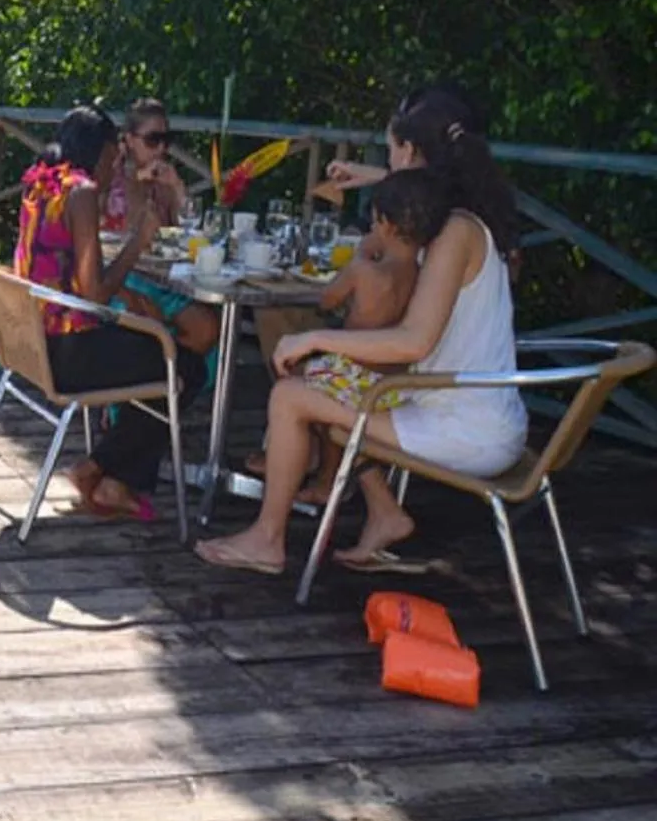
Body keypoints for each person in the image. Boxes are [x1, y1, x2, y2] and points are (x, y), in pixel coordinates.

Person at [196, 90, 527, 576]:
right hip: (468, 406)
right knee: (340, 383)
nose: (387, 162)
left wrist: (316, 339)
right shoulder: (470, 218)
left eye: (393, 152)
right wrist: (371, 178)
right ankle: (385, 513)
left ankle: (267, 540)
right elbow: (410, 190)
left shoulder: (454, 233)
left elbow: (415, 340)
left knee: (292, 395)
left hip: (466, 427)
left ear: (412, 154)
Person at [15, 106, 202, 519]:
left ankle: (113, 480)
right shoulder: (80, 192)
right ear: (95, 150)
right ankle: (98, 469)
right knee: (184, 369)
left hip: (33, 343)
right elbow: (96, 293)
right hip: (69, 352)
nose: (114, 161)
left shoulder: (40, 183)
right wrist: (138, 242)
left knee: (162, 356)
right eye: (110, 154)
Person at [289, 167, 452, 505]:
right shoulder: (424, 276)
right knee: (329, 396)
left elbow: (326, 301)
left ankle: (308, 465)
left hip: (352, 374)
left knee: (291, 379)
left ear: (387, 226)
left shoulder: (364, 269)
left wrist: (358, 259)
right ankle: (331, 477)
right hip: (393, 384)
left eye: (375, 223)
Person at [102, 98, 220, 360]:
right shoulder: (109, 173)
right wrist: (135, 182)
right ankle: (145, 383)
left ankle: (160, 383)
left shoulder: (164, 178)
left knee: (208, 327)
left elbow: (189, 233)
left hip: (164, 279)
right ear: (130, 139)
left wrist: (177, 187)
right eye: (153, 140)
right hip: (122, 275)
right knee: (201, 327)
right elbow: (118, 230)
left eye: (167, 139)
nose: (161, 148)